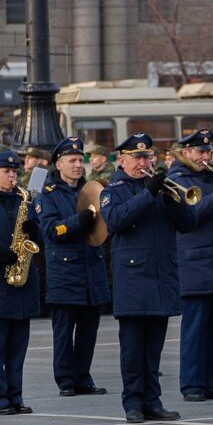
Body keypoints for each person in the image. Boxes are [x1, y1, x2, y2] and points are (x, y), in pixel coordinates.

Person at [100, 133, 192, 423]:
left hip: (161, 276)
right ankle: (133, 402)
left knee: (154, 349)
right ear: (123, 160)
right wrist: (149, 193)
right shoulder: (112, 189)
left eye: (147, 157)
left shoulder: (160, 187)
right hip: (133, 279)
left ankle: (152, 400)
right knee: (132, 350)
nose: (144, 162)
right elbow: (116, 220)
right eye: (138, 158)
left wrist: (172, 200)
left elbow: (189, 223)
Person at [168, 129, 213, 402]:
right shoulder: (177, 179)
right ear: (185, 152)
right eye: (200, 152)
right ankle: (192, 385)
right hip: (196, 264)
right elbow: (191, 215)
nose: (206, 156)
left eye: (208, 151)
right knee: (195, 330)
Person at [36, 137, 110, 397]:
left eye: (81, 160)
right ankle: (66, 379)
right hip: (65, 273)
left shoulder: (90, 189)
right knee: (64, 332)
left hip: (91, 269)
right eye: (73, 160)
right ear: (59, 164)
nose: (79, 165)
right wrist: (80, 220)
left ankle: (83, 377)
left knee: (89, 331)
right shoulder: (47, 194)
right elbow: (51, 230)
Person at [0, 151, 40, 416]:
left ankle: (16, 396)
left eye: (15, 171)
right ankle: (1, 398)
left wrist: (34, 230)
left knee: (17, 349)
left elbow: (41, 241)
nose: (12, 175)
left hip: (21, 283)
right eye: (6, 171)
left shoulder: (23, 199)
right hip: (0, 284)